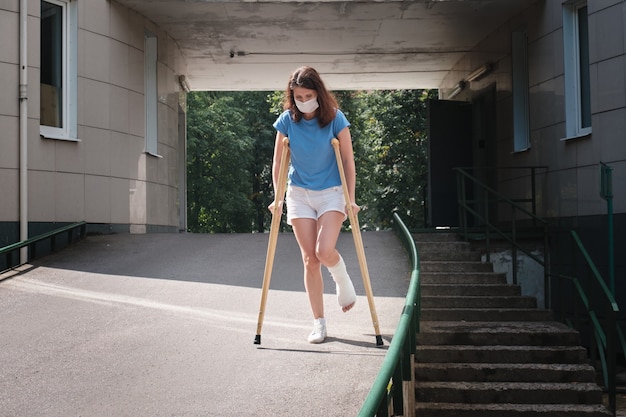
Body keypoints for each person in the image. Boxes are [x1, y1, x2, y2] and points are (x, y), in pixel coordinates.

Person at [269, 66, 359, 344]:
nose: (303, 100)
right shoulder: (286, 121)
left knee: (324, 251)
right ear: (292, 96)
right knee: (310, 259)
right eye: (298, 96)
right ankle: (319, 322)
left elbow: (347, 161)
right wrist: (278, 196)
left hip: (332, 192)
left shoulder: (335, 118)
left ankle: (342, 278)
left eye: (308, 94)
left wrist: (350, 199)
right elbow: (277, 162)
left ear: (318, 93)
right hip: (300, 194)